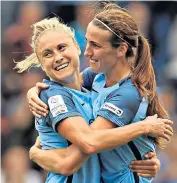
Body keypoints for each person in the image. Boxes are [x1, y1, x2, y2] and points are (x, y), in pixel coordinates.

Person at [23, 3, 173, 183]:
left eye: (95, 45)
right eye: (47, 54)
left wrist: (35, 153)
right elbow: (83, 148)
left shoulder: (123, 91)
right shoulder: (80, 83)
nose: (87, 52)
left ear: (121, 49)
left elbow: (88, 144)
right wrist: (33, 92)